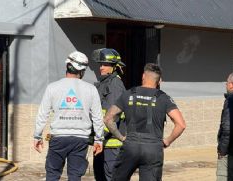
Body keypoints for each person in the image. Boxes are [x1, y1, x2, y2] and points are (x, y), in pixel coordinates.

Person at [104, 63, 186, 181]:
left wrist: (121, 138)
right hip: (153, 150)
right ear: (159, 81)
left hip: (130, 146)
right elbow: (181, 125)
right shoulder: (164, 98)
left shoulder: (128, 94)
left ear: (143, 76)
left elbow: (108, 119)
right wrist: (167, 141)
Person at [33, 51, 104, 181]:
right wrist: (99, 139)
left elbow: (42, 114)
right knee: (75, 176)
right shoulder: (91, 89)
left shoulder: (52, 87)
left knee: (53, 175)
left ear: (67, 66)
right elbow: (97, 117)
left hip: (58, 138)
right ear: (82, 70)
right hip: (80, 139)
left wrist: (37, 135)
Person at [91, 48, 126, 181]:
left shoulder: (115, 84)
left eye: (105, 65)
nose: (101, 67)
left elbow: (112, 116)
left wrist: (100, 136)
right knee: (99, 176)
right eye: (101, 64)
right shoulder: (104, 83)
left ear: (115, 67)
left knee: (111, 177)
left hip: (111, 144)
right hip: (102, 142)